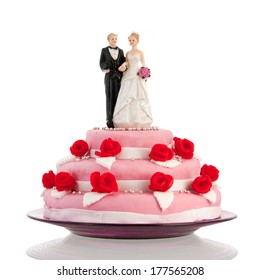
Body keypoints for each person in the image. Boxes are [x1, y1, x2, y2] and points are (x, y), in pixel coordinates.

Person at [113, 32, 153, 128]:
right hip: (128, 75)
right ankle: (124, 121)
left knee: (138, 95)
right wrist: (123, 65)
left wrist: (145, 72)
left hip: (137, 75)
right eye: (130, 40)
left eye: (133, 40)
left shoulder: (140, 53)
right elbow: (127, 63)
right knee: (126, 95)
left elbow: (143, 64)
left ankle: (139, 121)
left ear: (137, 41)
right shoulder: (128, 53)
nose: (131, 42)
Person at [99, 33, 126, 128]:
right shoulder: (104, 50)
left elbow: (124, 63)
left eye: (115, 38)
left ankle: (119, 120)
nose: (114, 40)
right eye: (112, 39)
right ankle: (110, 120)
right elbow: (101, 63)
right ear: (108, 40)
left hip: (119, 77)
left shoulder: (121, 51)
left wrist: (123, 68)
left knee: (120, 97)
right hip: (109, 77)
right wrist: (107, 67)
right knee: (110, 97)